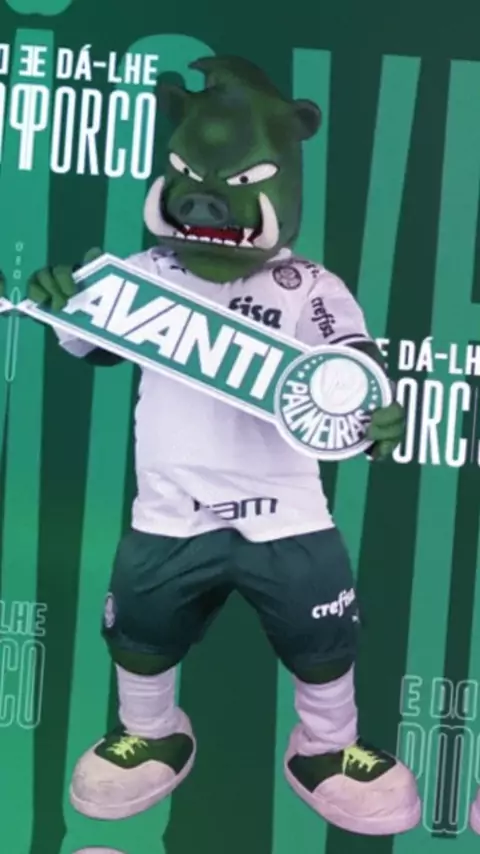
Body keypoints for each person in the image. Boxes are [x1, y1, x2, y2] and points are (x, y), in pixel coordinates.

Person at [24, 55, 419, 835]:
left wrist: (374, 411)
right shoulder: (145, 274)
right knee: (142, 631)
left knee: (321, 636)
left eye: (241, 179)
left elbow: (352, 366)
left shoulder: (309, 285)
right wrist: (62, 298)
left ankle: (328, 747)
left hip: (287, 512)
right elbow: (88, 339)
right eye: (185, 175)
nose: (203, 197)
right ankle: (149, 733)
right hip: (170, 510)